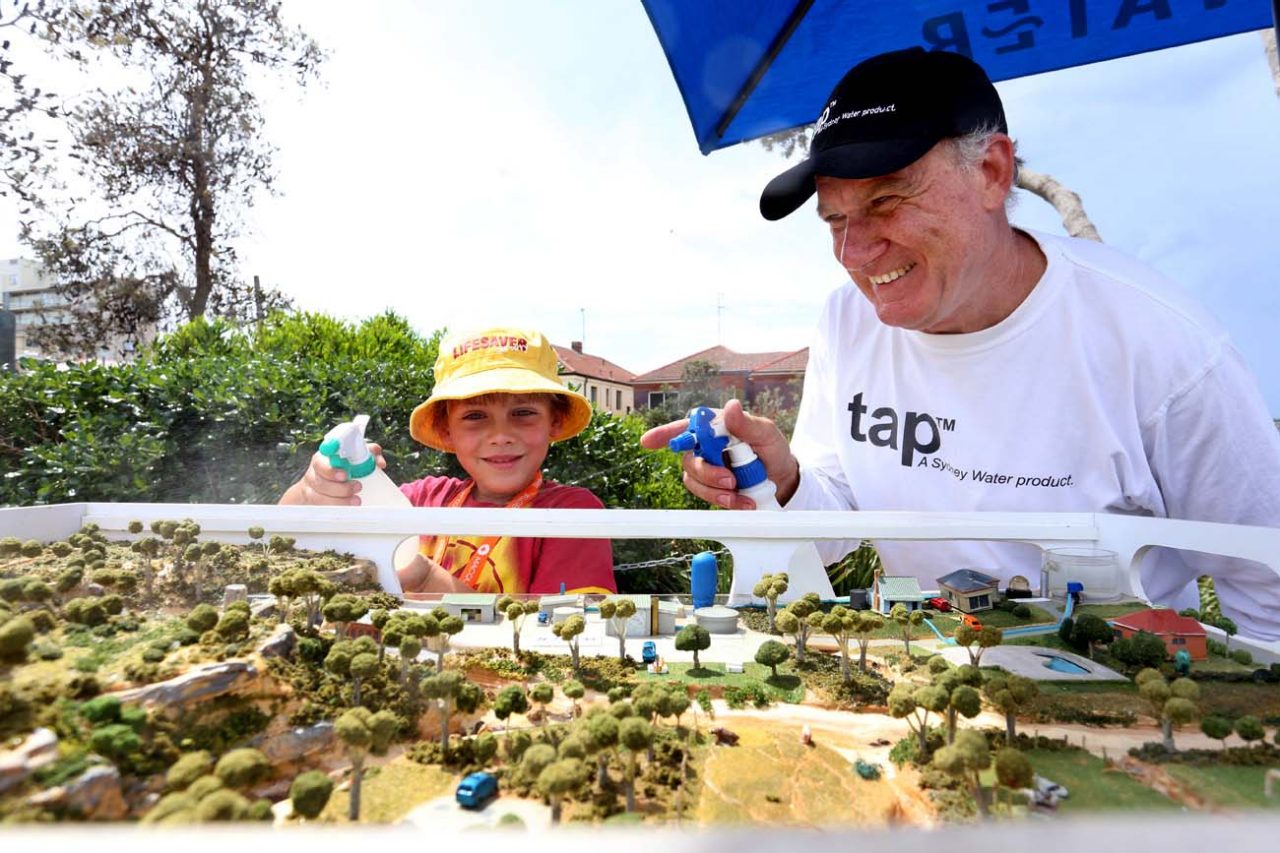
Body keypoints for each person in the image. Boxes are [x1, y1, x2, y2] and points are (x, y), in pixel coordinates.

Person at [642, 47, 1280, 639]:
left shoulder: (1161, 344)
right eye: (834, 219)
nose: (855, 254)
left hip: (1119, 696)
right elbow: (832, 523)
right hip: (927, 679)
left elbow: (1268, 589)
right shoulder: (847, 321)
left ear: (992, 173)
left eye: (887, 201)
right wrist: (781, 483)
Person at [282, 326, 617, 596]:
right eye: (475, 416)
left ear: (554, 422)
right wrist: (315, 487)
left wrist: (425, 578)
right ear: (446, 430)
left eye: (523, 413)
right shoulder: (419, 500)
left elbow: (561, 636)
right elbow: (282, 540)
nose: (500, 435)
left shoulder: (572, 514)